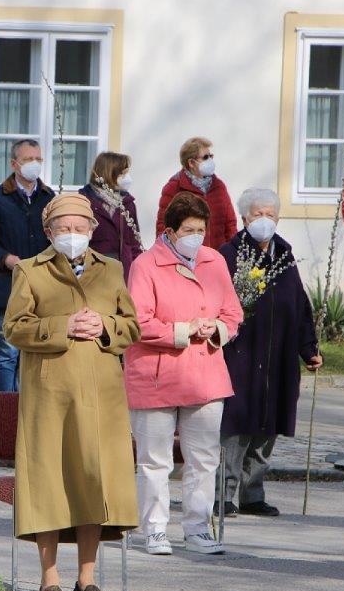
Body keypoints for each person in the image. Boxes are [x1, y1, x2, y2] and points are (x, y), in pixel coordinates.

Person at [4, 193, 141, 591]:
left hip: (101, 394)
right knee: (49, 480)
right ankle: (49, 579)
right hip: (51, 395)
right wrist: (63, 325)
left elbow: (132, 326)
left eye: (80, 228)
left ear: (92, 230)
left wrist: (106, 325)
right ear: (49, 232)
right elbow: (14, 327)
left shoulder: (111, 269)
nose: (72, 234)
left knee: (92, 478)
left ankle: (87, 579)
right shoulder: (30, 270)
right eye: (64, 228)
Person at [125, 191, 243, 555]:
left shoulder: (214, 261)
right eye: (188, 230)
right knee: (154, 460)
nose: (196, 237)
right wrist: (183, 330)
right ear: (170, 231)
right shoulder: (146, 265)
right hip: (156, 375)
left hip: (205, 375)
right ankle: (154, 529)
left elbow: (232, 312)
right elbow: (138, 321)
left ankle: (197, 528)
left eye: (201, 230)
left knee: (204, 458)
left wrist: (216, 328)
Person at [218, 188, 322, 517]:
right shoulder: (229, 255)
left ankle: (253, 494)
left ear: (278, 218)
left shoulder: (284, 256)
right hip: (241, 356)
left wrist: (309, 349)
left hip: (278, 358)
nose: (264, 220)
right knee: (236, 427)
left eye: (270, 214)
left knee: (267, 427)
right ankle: (222, 494)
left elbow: (300, 306)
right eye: (257, 214)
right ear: (244, 218)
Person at [0, 138, 54, 391]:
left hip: (42, 288)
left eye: (38, 159)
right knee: (7, 354)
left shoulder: (48, 197)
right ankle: (5, 410)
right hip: (9, 287)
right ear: (14, 163)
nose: (34, 164)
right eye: (28, 159)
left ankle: (29, 409)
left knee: (36, 352)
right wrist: (4, 258)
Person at [156, 137, 237, 249]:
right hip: (186, 255)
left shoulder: (219, 186)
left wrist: (231, 251)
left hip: (218, 255)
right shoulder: (174, 188)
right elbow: (163, 228)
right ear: (191, 163)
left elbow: (231, 224)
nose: (210, 160)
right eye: (205, 157)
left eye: (211, 156)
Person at [78, 151, 144, 280]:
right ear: (110, 173)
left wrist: (139, 268)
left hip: (123, 272)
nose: (127, 178)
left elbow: (134, 242)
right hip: (94, 273)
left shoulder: (127, 203)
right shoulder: (84, 202)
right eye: (123, 173)